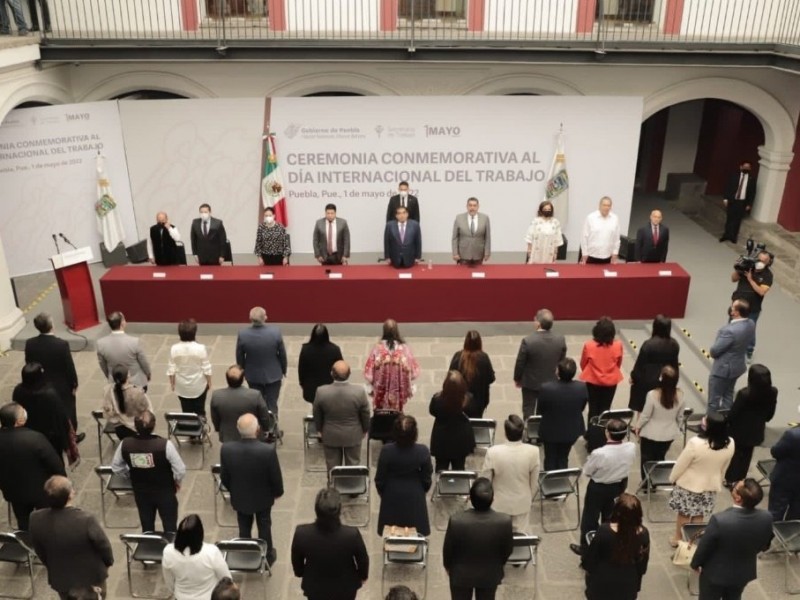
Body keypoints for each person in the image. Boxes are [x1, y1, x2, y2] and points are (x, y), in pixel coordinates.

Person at [29, 475, 114, 599]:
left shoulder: (35, 518)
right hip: (90, 579)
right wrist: (107, 563)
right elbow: (103, 546)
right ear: (70, 495)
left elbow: (39, 550)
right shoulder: (86, 520)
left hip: (61, 579)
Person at [691, 478, 774, 599]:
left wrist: (695, 564)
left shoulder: (720, 520)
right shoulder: (766, 517)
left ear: (738, 498)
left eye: (735, 487)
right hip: (742, 573)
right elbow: (765, 544)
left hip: (715, 574)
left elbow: (705, 546)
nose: (733, 485)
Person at [220, 414, 283, 566]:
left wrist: (233, 490)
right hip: (263, 497)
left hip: (240, 496)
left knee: (243, 524)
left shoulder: (227, 449)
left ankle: (246, 551)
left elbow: (225, 476)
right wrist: (277, 492)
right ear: (257, 430)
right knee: (264, 525)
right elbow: (275, 475)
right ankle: (267, 554)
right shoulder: (267, 451)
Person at [571, 419, 637, 559]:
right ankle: (608, 547)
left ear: (607, 433)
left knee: (590, 519)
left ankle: (587, 551)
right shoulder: (631, 447)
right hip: (618, 486)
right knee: (610, 518)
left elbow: (588, 471)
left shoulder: (599, 453)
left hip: (598, 488)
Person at [111, 410, 185, 534]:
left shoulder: (125, 444)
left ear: (134, 426)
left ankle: (148, 547)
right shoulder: (165, 445)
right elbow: (180, 470)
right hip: (165, 490)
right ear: (154, 425)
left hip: (141, 491)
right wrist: (176, 481)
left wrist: (129, 475)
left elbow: (116, 467)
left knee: (147, 527)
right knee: (170, 527)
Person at [668, 411, 735, 547]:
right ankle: (693, 540)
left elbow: (681, 464)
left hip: (689, 484)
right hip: (710, 485)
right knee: (700, 514)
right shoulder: (730, 443)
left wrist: (672, 478)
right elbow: (724, 467)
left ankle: (678, 538)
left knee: (684, 514)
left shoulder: (696, 443)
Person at [291, 488, 369, 600]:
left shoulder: (302, 533)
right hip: (345, 588)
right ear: (339, 510)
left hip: (315, 588)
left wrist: (301, 572)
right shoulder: (351, 534)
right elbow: (362, 559)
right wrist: (363, 576)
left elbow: (297, 561)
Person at [442, 478, 513, 600]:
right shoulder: (504, 521)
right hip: (489, 574)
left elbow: (448, 550)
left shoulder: (456, 520)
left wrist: (448, 567)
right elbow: (507, 550)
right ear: (493, 499)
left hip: (460, 575)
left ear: (470, 498)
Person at [0, 402, 66, 530]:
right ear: (19, 421)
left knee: (23, 521)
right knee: (47, 520)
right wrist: (62, 481)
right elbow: (55, 464)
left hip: (13, 491)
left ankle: (27, 543)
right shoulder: (35, 438)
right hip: (40, 491)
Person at [24, 312, 82, 442]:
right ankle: (71, 436)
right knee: (68, 410)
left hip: (40, 382)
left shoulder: (30, 343)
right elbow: (69, 366)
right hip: (61, 385)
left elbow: (29, 363)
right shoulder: (61, 345)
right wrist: (74, 383)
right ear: (51, 326)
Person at [583, 493, 650, 600]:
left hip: (602, 582)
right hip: (628, 584)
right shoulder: (643, 534)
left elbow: (590, 560)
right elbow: (642, 566)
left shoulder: (604, 531)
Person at [375, 415, 432, 536]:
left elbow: (380, 478)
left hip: (391, 493)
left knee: (391, 532)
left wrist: (383, 493)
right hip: (415, 493)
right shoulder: (422, 451)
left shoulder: (387, 451)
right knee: (416, 532)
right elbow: (427, 477)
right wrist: (422, 489)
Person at [481, 415, 539, 533]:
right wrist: (528, 499)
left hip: (499, 503)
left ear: (505, 433)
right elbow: (534, 484)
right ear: (522, 433)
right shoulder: (533, 451)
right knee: (521, 537)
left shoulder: (493, 452)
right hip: (522, 502)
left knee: (498, 535)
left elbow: (485, 480)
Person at [313, 360, 371, 473]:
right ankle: (351, 487)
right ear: (349, 374)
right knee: (353, 466)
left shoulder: (321, 391)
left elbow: (317, 412)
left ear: (331, 374)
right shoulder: (359, 392)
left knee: (332, 467)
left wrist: (319, 429)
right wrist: (365, 429)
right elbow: (365, 413)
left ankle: (334, 487)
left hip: (330, 434)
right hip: (353, 434)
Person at [724, 363, 777, 484]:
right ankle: (741, 479)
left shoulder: (744, 394)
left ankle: (731, 479)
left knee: (736, 455)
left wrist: (727, 422)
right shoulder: (773, 392)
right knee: (747, 456)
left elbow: (733, 413)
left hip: (739, 431)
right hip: (756, 431)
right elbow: (770, 413)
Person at [162, 514, 231, 600]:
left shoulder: (168, 552)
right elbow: (226, 578)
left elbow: (169, 580)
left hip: (181, 597)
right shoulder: (211, 552)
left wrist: (175, 591)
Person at [513, 308, 567, 418]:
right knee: (545, 409)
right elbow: (561, 360)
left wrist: (517, 378)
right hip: (551, 382)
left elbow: (520, 363)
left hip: (530, 383)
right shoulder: (560, 339)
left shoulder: (528, 341)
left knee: (528, 408)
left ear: (538, 323)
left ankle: (528, 430)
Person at [634, 365, 684, 483]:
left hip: (650, 433)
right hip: (669, 434)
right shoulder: (680, 395)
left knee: (646, 459)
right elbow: (680, 417)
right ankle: (656, 480)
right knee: (660, 457)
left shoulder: (652, 395)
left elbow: (645, 415)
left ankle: (646, 483)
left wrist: (638, 426)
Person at [236, 306, 287, 418]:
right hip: (273, 374)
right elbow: (282, 354)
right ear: (265, 317)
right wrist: (284, 369)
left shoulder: (243, 334)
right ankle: (273, 425)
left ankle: (260, 425)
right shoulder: (275, 333)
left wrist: (242, 370)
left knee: (257, 402)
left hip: (253, 374)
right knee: (272, 402)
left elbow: (240, 356)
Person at [12, 362, 71, 459]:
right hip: (50, 438)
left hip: (27, 434)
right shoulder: (49, 394)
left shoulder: (18, 391)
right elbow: (60, 417)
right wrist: (66, 441)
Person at [537, 357, 588, 470]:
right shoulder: (582, 387)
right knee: (563, 456)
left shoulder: (546, 388)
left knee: (550, 457)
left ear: (558, 372)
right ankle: (561, 473)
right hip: (571, 430)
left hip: (550, 431)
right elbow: (582, 407)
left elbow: (540, 409)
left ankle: (550, 479)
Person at [707, 299, 755, 412]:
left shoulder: (729, 331)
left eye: (733, 307)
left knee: (713, 399)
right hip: (737, 366)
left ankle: (711, 424)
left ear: (736, 312)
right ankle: (726, 419)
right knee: (728, 394)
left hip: (723, 370)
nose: (731, 308)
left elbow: (715, 351)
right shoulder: (751, 324)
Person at [364, 319, 420, 411]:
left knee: (381, 412)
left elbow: (369, 375)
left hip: (381, 391)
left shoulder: (377, 349)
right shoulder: (405, 349)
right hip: (398, 391)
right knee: (397, 412)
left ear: (384, 331)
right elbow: (414, 373)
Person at [628, 314, 680, 413]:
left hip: (646, 382)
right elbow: (675, 364)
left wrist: (633, 377)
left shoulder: (648, 344)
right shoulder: (674, 344)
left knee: (643, 410)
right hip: (665, 380)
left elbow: (640, 365)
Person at [580, 316, 624, 427]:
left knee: (593, 409)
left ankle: (591, 435)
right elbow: (618, 364)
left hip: (593, 381)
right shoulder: (618, 345)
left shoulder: (589, 345)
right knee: (605, 408)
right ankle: (603, 433)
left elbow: (583, 364)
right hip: (611, 382)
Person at [428, 370, 476, 472]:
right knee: (459, 467)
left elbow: (432, 411)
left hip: (442, 440)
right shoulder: (468, 400)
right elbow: (472, 413)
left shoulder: (437, 400)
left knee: (441, 467)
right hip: (461, 440)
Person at [210, 365, 271, 443]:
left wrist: (218, 428)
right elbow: (264, 416)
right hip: (252, 435)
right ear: (242, 379)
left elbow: (215, 418)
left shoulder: (217, 396)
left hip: (228, 436)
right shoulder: (255, 395)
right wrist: (266, 429)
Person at [731, 249, 772, 360]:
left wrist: (750, 279)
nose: (760, 263)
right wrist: (738, 269)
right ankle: (729, 346)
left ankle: (749, 351)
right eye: (759, 260)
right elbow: (733, 279)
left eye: (764, 261)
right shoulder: (747, 267)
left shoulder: (768, 275)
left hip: (753, 308)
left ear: (768, 263)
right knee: (731, 326)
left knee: (750, 330)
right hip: (738, 304)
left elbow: (761, 292)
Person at [168, 318, 212, 419]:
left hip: (182, 386)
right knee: (200, 409)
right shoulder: (200, 348)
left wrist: (172, 383)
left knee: (186, 410)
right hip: (199, 384)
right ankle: (200, 430)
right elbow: (206, 368)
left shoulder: (174, 348)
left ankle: (189, 429)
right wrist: (209, 381)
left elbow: (171, 368)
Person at [96, 311, 152, 390]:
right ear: (122, 323)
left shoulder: (101, 344)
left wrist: (109, 376)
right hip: (136, 383)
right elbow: (143, 362)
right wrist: (148, 373)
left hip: (115, 383)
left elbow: (103, 365)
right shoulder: (134, 342)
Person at [449, 330, 496, 418]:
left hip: (459, 401)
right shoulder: (484, 358)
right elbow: (491, 378)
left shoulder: (458, 356)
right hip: (478, 403)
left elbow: (450, 376)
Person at [102, 365, 153, 439]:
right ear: (128, 375)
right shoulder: (137, 393)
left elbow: (107, 413)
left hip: (120, 429)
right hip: (137, 429)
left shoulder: (108, 391)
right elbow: (147, 411)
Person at [298, 324, 344, 404]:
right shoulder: (334, 350)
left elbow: (301, 369)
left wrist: (302, 383)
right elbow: (341, 368)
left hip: (311, 390)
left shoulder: (305, 350)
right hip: (330, 388)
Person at [768, 426, 800, 521]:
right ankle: (790, 535)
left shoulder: (793, 435)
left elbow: (775, 452)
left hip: (784, 479)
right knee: (796, 515)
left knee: (776, 511)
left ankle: (770, 534)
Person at [720, 161, 757, 243]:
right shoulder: (734, 176)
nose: (746, 169)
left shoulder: (752, 179)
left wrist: (749, 204)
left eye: (748, 167)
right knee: (729, 218)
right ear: (741, 167)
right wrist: (725, 199)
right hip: (732, 200)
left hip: (742, 202)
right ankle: (726, 235)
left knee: (737, 220)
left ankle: (733, 236)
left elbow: (752, 193)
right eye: (745, 167)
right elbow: (728, 186)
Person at [580, 196, 620, 264]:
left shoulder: (615, 219)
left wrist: (615, 252)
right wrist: (584, 253)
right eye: (604, 205)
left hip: (607, 256)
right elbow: (584, 237)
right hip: (591, 256)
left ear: (611, 207)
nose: (606, 208)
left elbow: (616, 238)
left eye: (608, 205)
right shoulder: (590, 218)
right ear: (599, 205)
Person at [452, 197, 491, 265]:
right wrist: (455, 253)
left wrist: (487, 252)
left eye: (474, 205)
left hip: (478, 255)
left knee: (478, 274)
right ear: (467, 206)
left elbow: (487, 237)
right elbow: (455, 237)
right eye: (470, 205)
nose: (472, 208)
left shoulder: (485, 218)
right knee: (462, 275)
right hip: (463, 255)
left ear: (478, 207)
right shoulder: (459, 218)